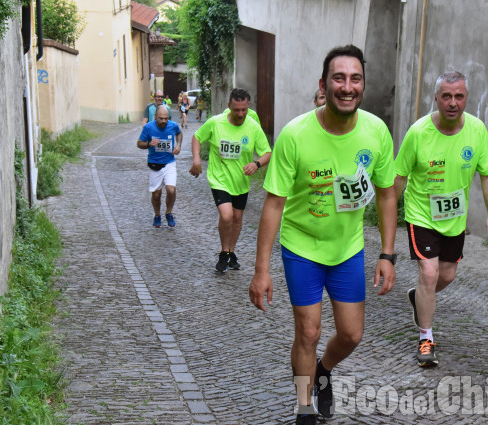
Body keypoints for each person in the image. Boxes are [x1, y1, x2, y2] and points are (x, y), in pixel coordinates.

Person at [248, 45, 397, 425]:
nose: (347, 87)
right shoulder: (296, 134)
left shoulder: (376, 132)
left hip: (347, 249)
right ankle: (304, 406)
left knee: (351, 335)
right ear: (324, 84)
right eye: (339, 78)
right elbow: (274, 204)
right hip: (301, 248)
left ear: (363, 84)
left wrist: (387, 253)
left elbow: (385, 194)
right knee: (309, 331)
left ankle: (323, 371)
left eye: (355, 78)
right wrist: (261, 270)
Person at [394, 71, 488, 368]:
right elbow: (399, 178)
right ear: (436, 98)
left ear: (466, 98)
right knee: (429, 274)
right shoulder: (418, 133)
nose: (453, 103)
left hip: (454, 218)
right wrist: (388, 216)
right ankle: (426, 339)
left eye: (459, 96)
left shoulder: (477, 130)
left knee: (447, 276)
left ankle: (419, 297)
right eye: (446, 96)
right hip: (421, 213)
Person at [189, 88, 272, 272]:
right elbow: (197, 137)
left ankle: (230, 252)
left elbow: (267, 152)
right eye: (236, 110)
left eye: (244, 109)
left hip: (241, 180)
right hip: (219, 178)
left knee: (237, 217)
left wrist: (256, 164)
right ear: (229, 106)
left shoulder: (252, 126)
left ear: (248, 107)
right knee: (226, 215)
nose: (240, 114)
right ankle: (224, 251)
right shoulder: (216, 123)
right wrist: (196, 160)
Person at [137, 105, 183, 228]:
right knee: (156, 194)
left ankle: (169, 213)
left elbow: (179, 133)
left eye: (166, 118)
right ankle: (157, 215)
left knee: (171, 190)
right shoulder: (148, 127)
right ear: (155, 116)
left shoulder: (173, 125)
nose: (163, 121)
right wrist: (149, 144)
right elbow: (139, 143)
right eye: (161, 118)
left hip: (169, 162)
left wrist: (178, 145)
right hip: (154, 164)